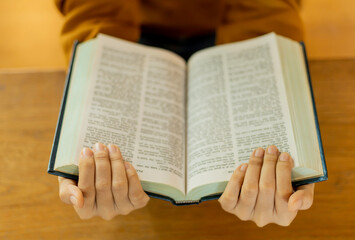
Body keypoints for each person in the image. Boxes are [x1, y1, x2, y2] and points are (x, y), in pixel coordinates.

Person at [55, 0, 314, 227]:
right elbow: (93, 8)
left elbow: (269, 9)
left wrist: (287, 111)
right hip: (127, 31)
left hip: (242, 27)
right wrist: (90, 86)